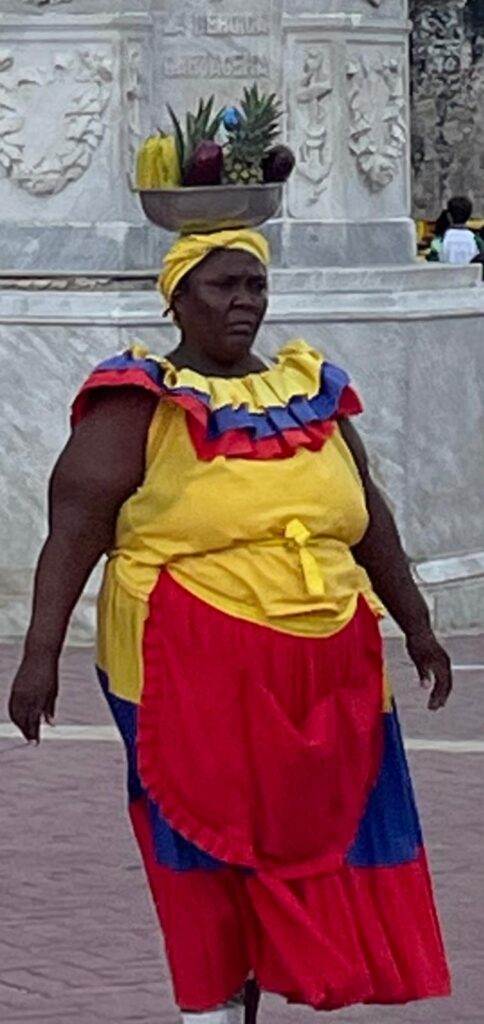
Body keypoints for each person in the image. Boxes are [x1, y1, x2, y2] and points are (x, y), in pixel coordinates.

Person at [9, 229, 452, 1024]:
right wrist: (39, 657)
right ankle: (209, 1004)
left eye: (254, 285)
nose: (244, 301)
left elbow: (370, 521)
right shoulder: (138, 400)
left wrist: (418, 627)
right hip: (183, 665)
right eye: (223, 287)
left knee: (314, 832)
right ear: (177, 299)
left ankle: (260, 985)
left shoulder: (307, 391)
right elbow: (73, 529)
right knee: (202, 835)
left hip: (328, 666)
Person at [440, 195, 479, 264]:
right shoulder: (476, 240)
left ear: (449, 216)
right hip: (470, 274)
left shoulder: (440, 240)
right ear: (469, 216)